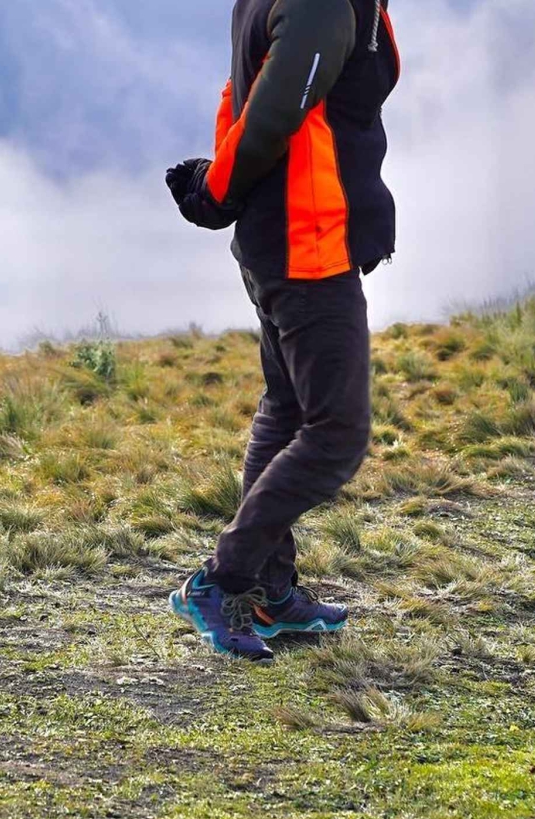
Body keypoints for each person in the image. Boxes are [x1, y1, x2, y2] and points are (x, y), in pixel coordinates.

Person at [166, 0, 401, 660]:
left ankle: (270, 591)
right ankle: (222, 579)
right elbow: (267, 111)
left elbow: (236, 90)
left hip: (281, 238)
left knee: (288, 407)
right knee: (337, 431)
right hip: (305, 247)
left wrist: (224, 185)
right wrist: (218, 190)